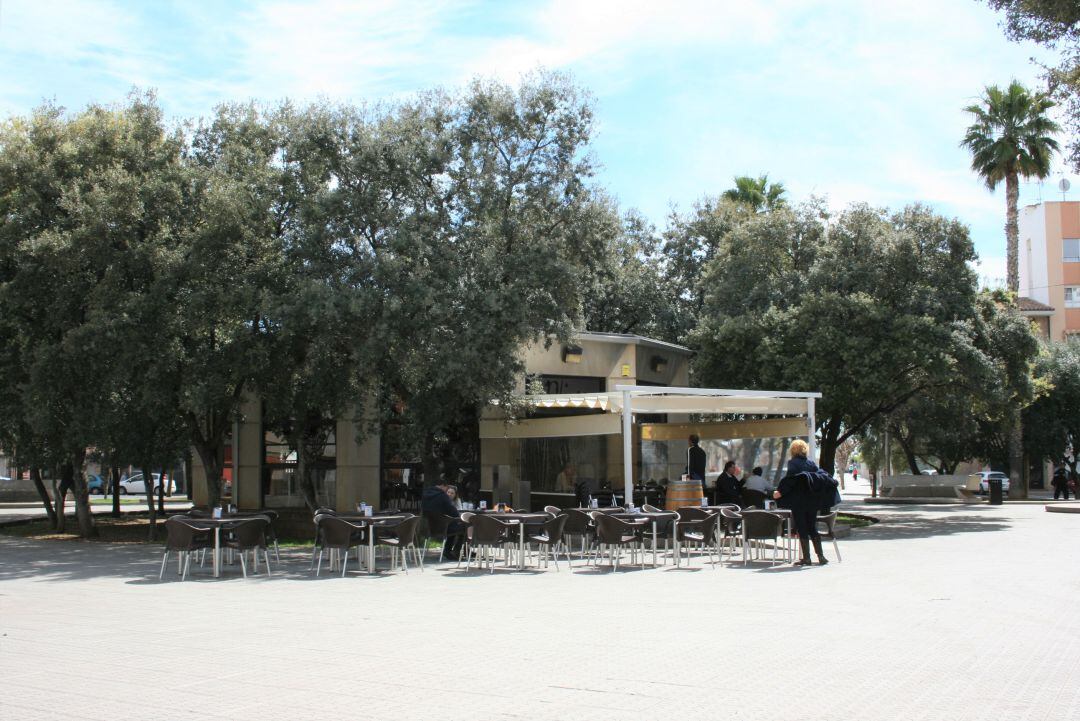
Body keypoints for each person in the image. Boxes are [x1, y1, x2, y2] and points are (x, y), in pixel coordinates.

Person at [774, 440, 836, 565]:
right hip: (812, 501)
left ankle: (806, 558)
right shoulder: (811, 463)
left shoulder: (793, 463)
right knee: (812, 527)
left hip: (799, 502)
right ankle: (821, 556)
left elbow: (791, 481)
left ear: (793, 450)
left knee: (802, 527)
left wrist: (779, 492)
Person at [421, 480, 465, 561]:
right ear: (443, 486)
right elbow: (454, 512)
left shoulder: (426, 494)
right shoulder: (442, 496)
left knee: (452, 524)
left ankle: (449, 551)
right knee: (463, 527)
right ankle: (454, 552)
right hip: (444, 528)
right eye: (446, 488)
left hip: (431, 527)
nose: (446, 490)